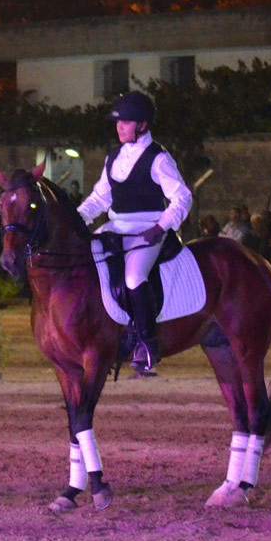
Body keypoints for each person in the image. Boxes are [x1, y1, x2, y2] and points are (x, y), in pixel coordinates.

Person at [77, 92, 193, 372]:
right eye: (118, 122)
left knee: (133, 277)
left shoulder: (158, 158)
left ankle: (148, 344)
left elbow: (182, 197)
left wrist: (161, 226)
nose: (119, 127)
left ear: (142, 125)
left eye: (126, 122)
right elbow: (100, 198)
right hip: (115, 227)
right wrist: (77, 217)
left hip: (146, 230)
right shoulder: (114, 156)